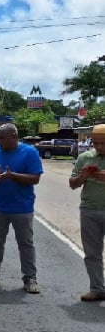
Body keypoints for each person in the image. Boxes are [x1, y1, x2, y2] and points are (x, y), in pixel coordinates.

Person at [0, 123, 43, 294]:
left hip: (22, 208)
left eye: (2, 138)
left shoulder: (30, 152)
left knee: (25, 244)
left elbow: (35, 178)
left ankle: (30, 279)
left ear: (14, 137)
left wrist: (12, 175)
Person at [69, 124, 105, 301]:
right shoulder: (85, 157)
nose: (99, 147)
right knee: (92, 252)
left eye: (103, 143)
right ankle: (97, 288)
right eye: (96, 143)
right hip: (90, 209)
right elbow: (72, 184)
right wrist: (82, 176)